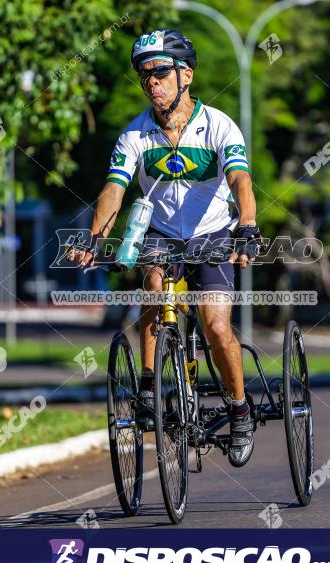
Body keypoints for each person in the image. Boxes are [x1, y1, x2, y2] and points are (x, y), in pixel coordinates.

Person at [67, 29, 262, 467]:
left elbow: (240, 181)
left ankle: (239, 408)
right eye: (144, 75)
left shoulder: (218, 125)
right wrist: (96, 236)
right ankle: (152, 385)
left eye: (160, 72)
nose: (151, 82)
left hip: (212, 234)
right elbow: (114, 189)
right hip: (161, 233)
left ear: (186, 75)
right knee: (154, 283)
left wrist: (247, 225)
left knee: (215, 325)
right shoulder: (135, 135)